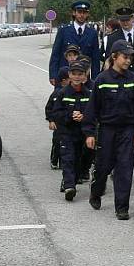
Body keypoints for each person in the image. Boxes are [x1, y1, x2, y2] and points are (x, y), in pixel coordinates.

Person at [83, 40, 134, 219]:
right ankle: (96, 191)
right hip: (107, 130)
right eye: (125, 57)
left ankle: (122, 207)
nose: (128, 61)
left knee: (125, 168)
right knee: (103, 167)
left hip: (127, 130)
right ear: (115, 57)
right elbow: (92, 108)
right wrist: (89, 133)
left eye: (130, 57)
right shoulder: (102, 80)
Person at [50, 59, 92, 202]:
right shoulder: (62, 93)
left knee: (78, 160)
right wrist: (70, 116)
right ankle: (69, 187)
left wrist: (84, 116)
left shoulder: (88, 94)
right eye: (74, 74)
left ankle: (70, 180)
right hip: (66, 132)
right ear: (69, 75)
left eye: (80, 74)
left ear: (84, 76)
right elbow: (56, 113)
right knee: (68, 158)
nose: (77, 77)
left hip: (82, 133)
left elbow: (94, 112)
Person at [49, 0, 101, 84]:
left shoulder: (92, 33)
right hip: (65, 77)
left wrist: (95, 78)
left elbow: (95, 59)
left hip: (84, 77)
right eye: (79, 12)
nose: (82, 15)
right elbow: (56, 54)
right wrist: (53, 74)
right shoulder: (63, 31)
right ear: (74, 13)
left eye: (84, 12)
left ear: (87, 14)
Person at [103, 7, 134, 73]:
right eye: (122, 20)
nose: (125, 23)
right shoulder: (112, 38)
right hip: (120, 74)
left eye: (127, 20)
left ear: (132, 19)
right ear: (119, 21)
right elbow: (109, 59)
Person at [45, 67, 69, 169]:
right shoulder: (56, 94)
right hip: (58, 123)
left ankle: (64, 161)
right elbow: (49, 108)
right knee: (57, 141)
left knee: (67, 143)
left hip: (68, 123)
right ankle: (54, 159)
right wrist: (51, 120)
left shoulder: (71, 93)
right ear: (64, 81)